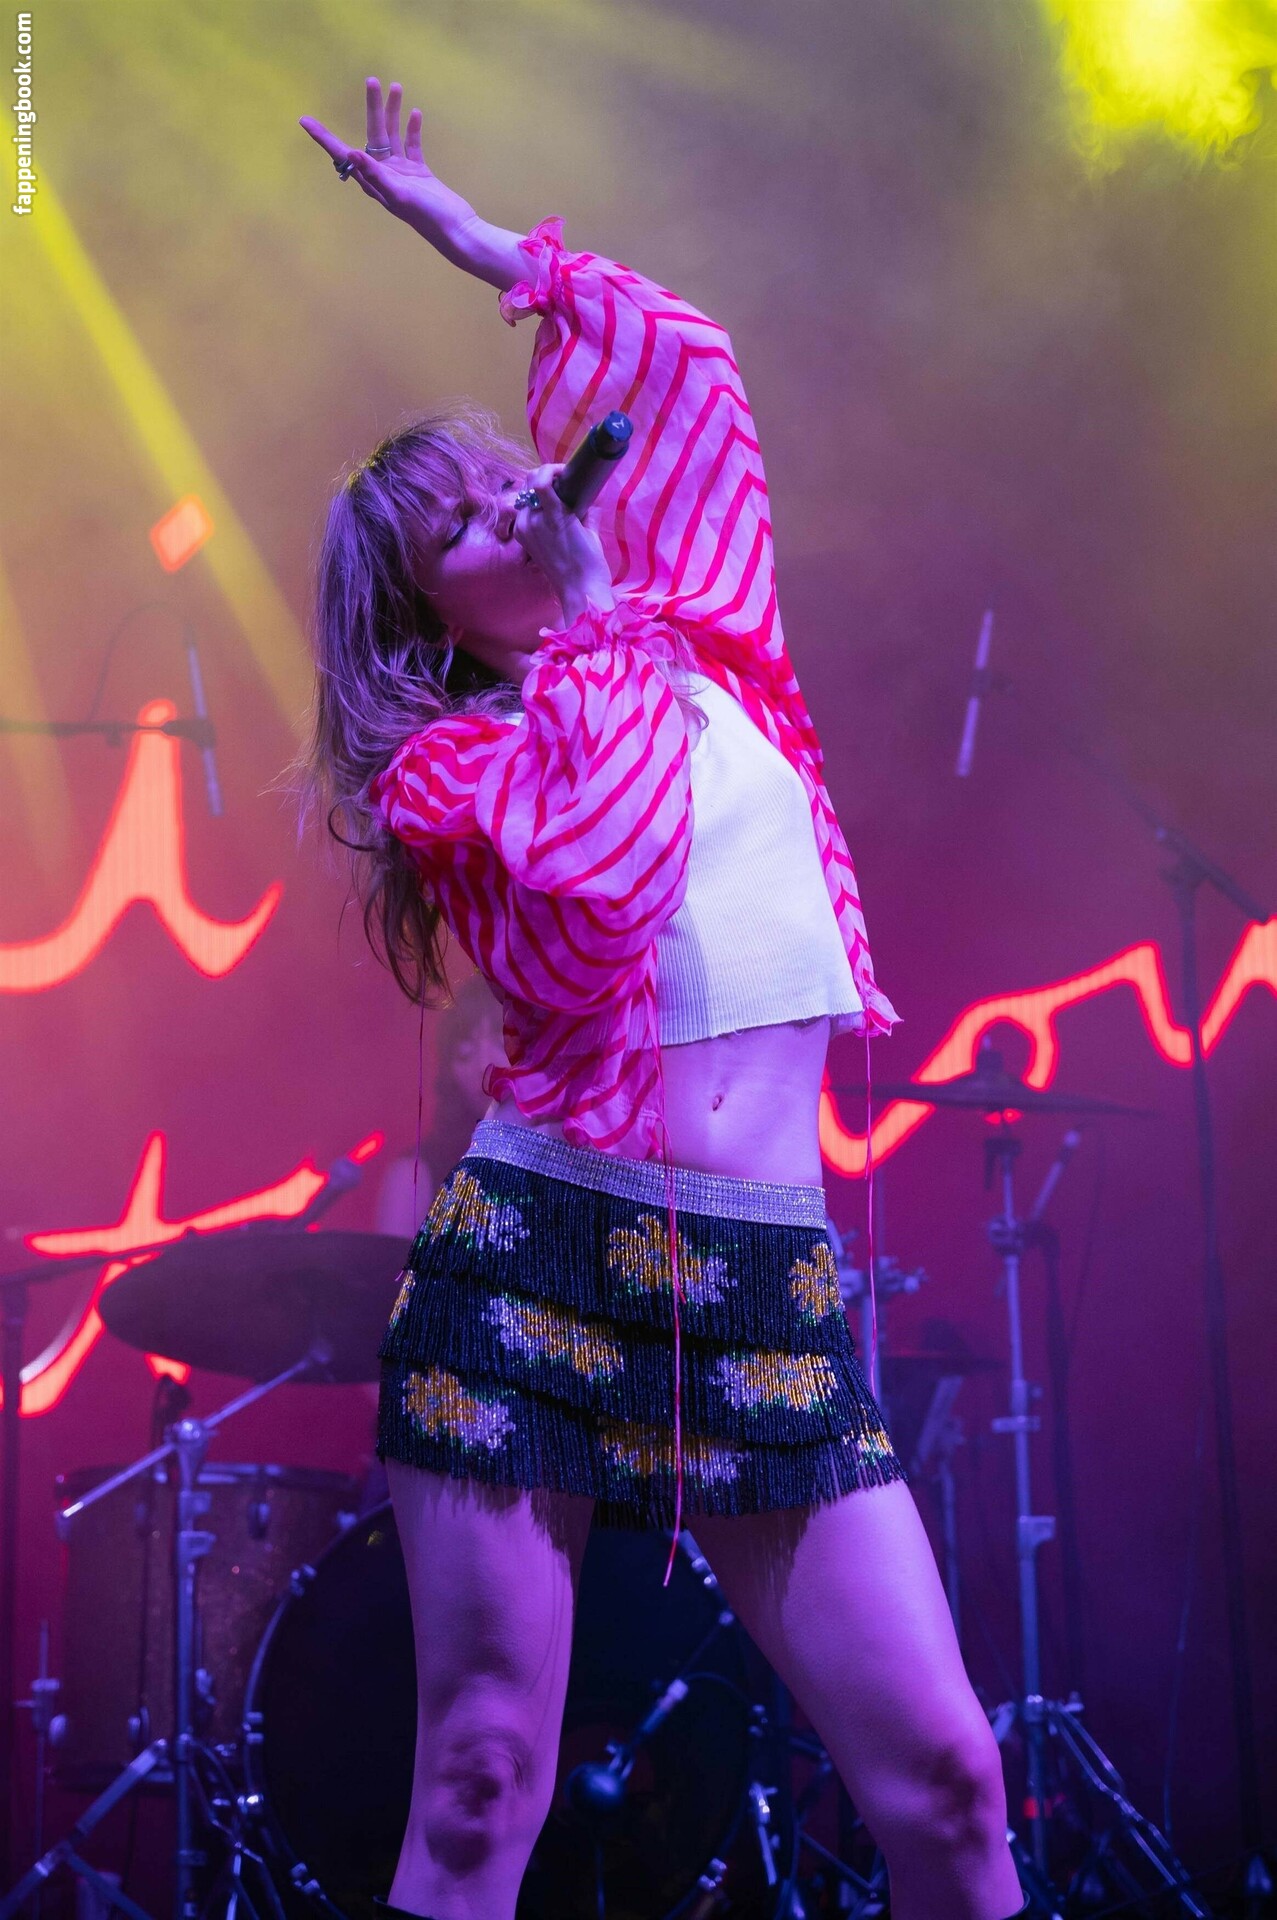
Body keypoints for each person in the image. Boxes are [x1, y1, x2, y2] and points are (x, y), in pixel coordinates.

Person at [300, 77, 1026, 1920]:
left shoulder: (703, 639)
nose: (509, 502)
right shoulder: (456, 770)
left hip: (760, 1274)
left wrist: (481, 243)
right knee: (484, 1776)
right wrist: (590, 610)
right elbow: (604, 864)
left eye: (500, 474)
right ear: (430, 616)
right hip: (541, 1258)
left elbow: (687, 361)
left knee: (948, 1783)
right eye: (460, 527)